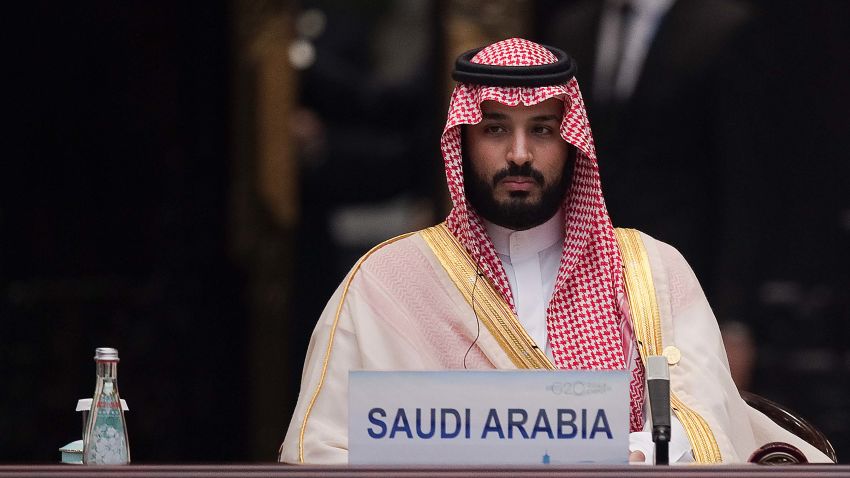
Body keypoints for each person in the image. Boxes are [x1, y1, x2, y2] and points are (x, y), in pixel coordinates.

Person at [278, 38, 831, 465]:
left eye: (541, 129)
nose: (519, 154)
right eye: (496, 128)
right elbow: (319, 453)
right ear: (463, 138)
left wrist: (628, 452)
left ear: (571, 141)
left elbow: (710, 425)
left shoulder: (654, 271)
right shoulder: (385, 282)